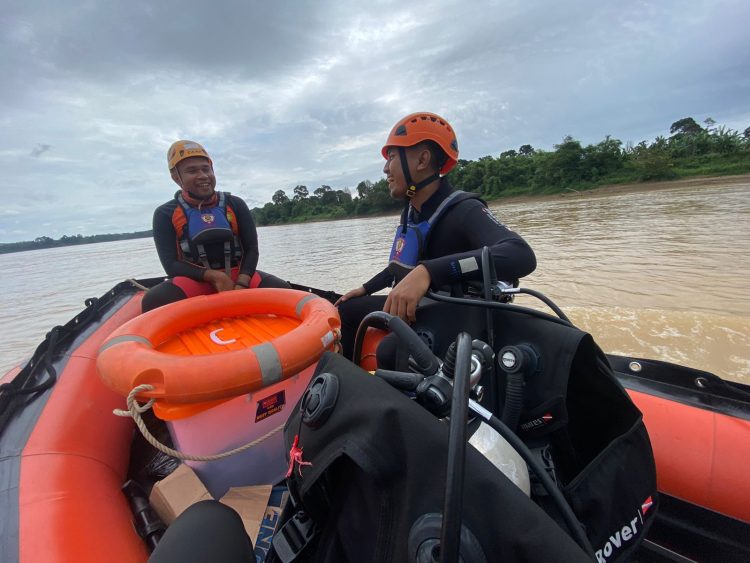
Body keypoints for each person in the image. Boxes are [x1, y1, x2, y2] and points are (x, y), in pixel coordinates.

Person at [335, 112, 537, 359]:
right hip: (420, 309)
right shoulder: (411, 212)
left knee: (389, 351)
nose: (386, 168)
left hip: (456, 318)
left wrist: (429, 271)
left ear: (422, 160)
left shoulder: (464, 210)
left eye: (392, 157)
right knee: (345, 309)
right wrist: (367, 287)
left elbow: (521, 254)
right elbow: (402, 266)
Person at [142, 140, 289, 312]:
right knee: (153, 300)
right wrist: (214, 276)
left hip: (239, 277)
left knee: (283, 289)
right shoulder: (165, 213)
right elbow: (170, 264)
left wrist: (242, 283)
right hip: (196, 282)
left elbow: (251, 249)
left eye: (206, 169)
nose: (203, 175)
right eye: (192, 171)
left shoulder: (235, 204)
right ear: (176, 177)